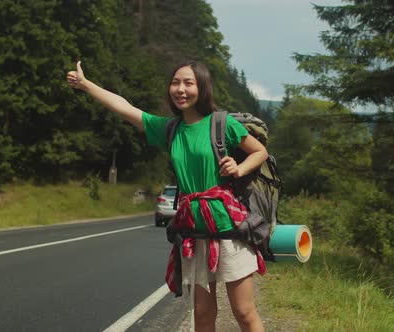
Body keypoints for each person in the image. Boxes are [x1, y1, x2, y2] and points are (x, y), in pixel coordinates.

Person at [67, 60, 267, 331]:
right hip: (194, 231)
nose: (180, 89)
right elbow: (126, 108)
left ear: (202, 88)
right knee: (203, 313)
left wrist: (239, 167)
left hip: (229, 227)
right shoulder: (169, 129)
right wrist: (86, 85)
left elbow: (259, 151)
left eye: (188, 83)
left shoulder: (222, 124)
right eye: (175, 83)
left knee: (243, 311)